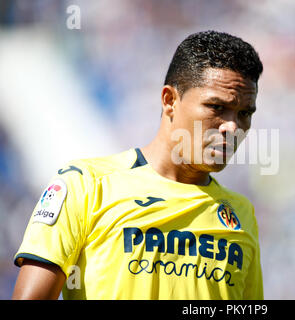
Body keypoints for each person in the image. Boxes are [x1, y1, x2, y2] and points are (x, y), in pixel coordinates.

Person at [12, 30, 264, 300]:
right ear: (170, 100)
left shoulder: (241, 214)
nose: (232, 127)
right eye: (216, 107)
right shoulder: (87, 184)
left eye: (244, 114)